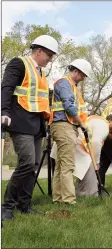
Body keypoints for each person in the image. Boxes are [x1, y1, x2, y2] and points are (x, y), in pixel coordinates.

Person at [1, 35, 59, 220]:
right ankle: (7, 207)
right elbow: (6, 87)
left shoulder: (41, 73)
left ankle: (24, 205)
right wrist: (3, 111)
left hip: (36, 124)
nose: (50, 60)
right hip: (19, 121)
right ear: (39, 51)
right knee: (26, 162)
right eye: (49, 55)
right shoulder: (19, 63)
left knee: (33, 165)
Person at [49, 58, 92, 205]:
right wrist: (81, 123)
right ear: (76, 71)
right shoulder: (65, 83)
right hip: (64, 126)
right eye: (82, 76)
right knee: (67, 165)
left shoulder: (71, 85)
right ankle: (68, 200)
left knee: (61, 165)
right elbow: (69, 106)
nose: (82, 79)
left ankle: (58, 198)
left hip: (65, 126)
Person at [50, 115, 109, 197]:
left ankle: (59, 195)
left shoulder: (94, 119)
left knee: (62, 169)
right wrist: (97, 162)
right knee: (87, 166)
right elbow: (96, 142)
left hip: (66, 140)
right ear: (111, 121)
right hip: (75, 142)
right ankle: (86, 193)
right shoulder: (104, 126)